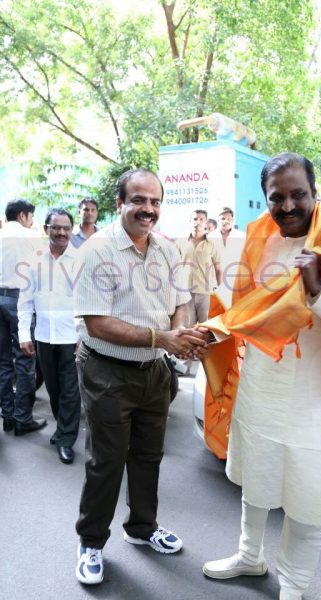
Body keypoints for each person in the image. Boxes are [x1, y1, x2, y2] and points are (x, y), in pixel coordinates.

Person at [201, 153, 321, 599]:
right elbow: (244, 309)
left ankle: (294, 584)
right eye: (276, 197)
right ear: (264, 200)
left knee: (307, 497)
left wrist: (318, 288)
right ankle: (249, 556)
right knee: (255, 480)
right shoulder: (258, 242)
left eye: (297, 194)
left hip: (308, 400)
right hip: (260, 384)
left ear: (315, 193)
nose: (287, 205)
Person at [73, 168, 208, 585]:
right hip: (107, 372)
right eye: (139, 201)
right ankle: (91, 543)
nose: (147, 209)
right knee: (106, 463)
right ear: (121, 204)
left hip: (155, 372)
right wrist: (164, 337)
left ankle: (143, 529)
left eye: (154, 202)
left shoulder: (167, 251)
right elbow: (97, 324)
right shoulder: (97, 251)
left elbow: (181, 302)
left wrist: (180, 332)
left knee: (149, 457)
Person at [18, 208, 81, 464]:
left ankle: (66, 439)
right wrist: (24, 334)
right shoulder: (34, 261)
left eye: (66, 227)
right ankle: (62, 428)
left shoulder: (80, 261)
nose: (62, 232)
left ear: (71, 229)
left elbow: (87, 301)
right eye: (56, 227)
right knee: (54, 389)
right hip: (44, 336)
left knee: (69, 391)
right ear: (46, 229)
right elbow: (25, 301)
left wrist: (83, 335)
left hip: (71, 338)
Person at [0, 198, 46, 435]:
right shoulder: (31, 237)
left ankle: (7, 416)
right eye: (30, 216)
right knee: (25, 360)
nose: (32, 221)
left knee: (3, 362)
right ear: (22, 215)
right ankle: (22, 419)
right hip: (20, 301)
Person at [175, 209, 222, 324]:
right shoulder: (180, 242)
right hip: (186, 290)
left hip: (205, 290)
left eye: (201, 219)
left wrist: (220, 288)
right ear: (190, 221)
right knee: (189, 325)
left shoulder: (212, 244)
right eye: (195, 219)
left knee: (206, 325)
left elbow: (218, 268)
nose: (198, 222)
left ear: (206, 222)